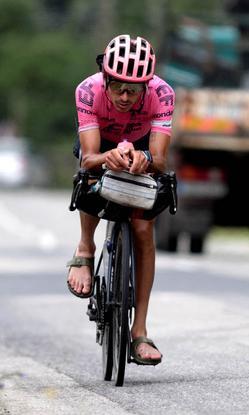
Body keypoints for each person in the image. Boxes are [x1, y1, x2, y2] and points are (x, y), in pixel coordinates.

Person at [67, 35, 175, 365]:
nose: (126, 97)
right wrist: (107, 156)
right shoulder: (88, 91)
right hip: (101, 145)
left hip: (142, 145)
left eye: (134, 90)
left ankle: (139, 331)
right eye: (118, 88)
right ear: (105, 79)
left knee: (143, 229)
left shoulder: (162, 94)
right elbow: (88, 158)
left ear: (147, 85)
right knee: (92, 182)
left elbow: (160, 160)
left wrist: (142, 156)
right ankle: (85, 249)